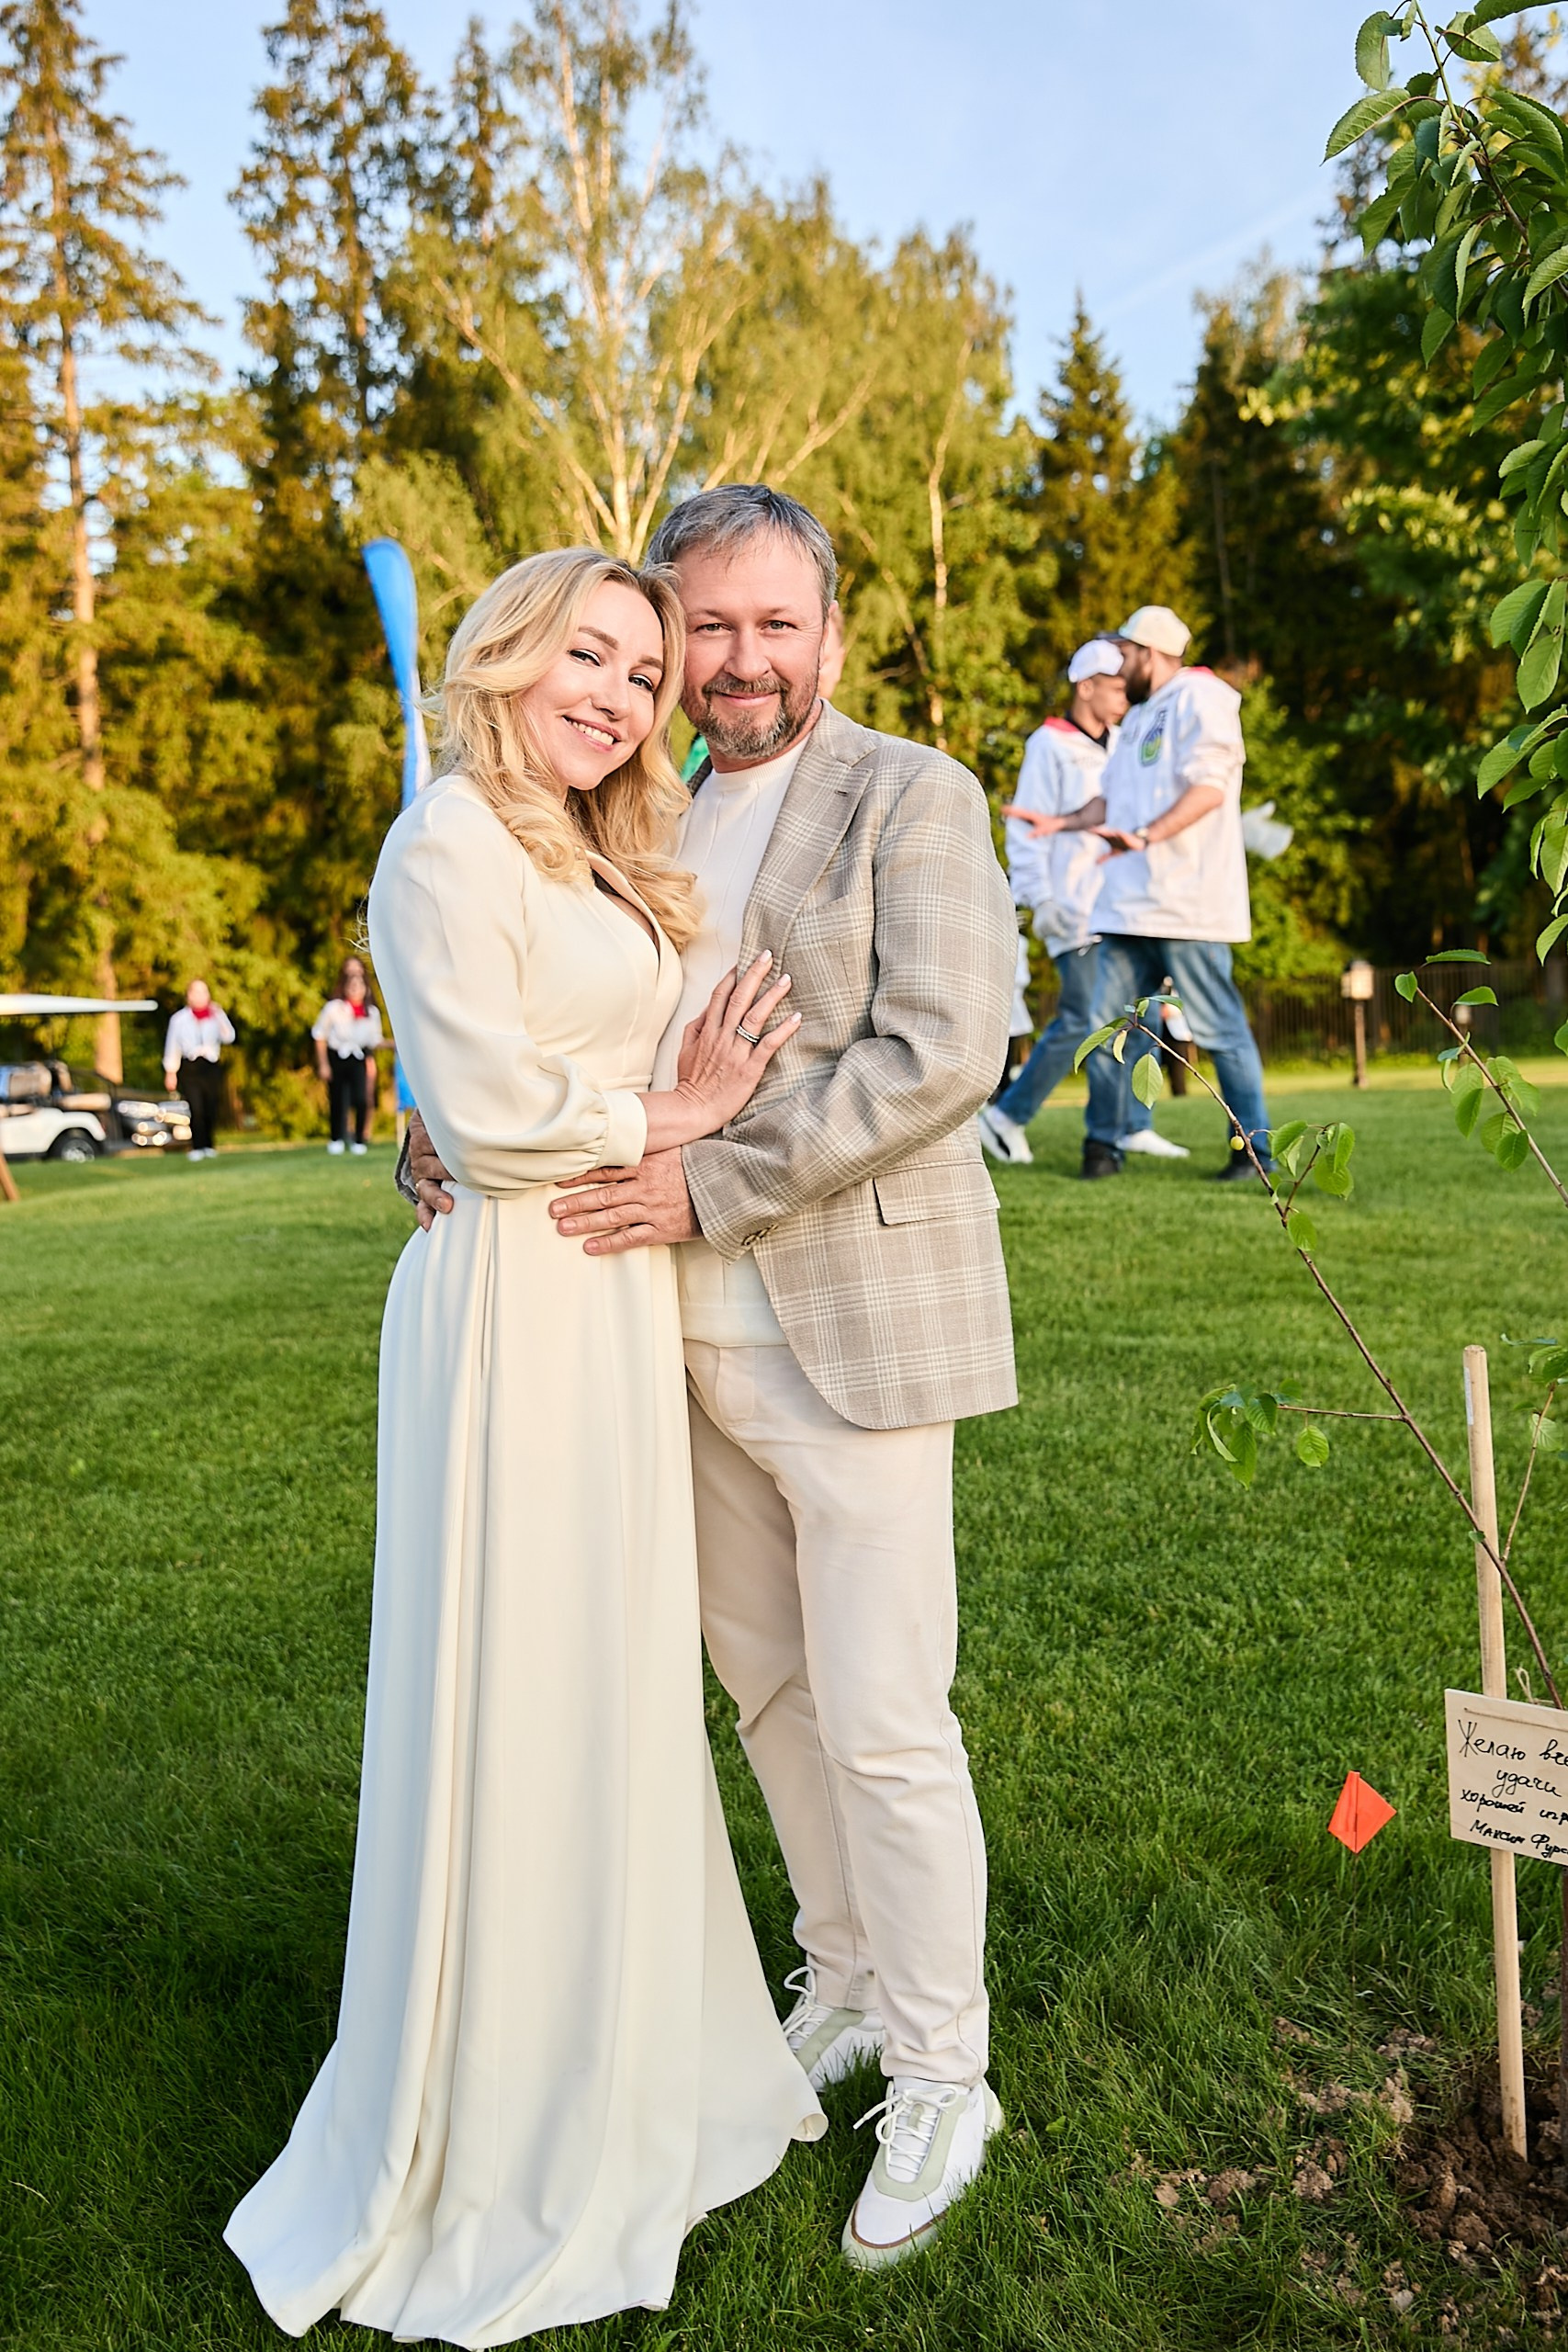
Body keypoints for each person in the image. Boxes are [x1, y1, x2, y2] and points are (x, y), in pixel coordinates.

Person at [409, 483, 1017, 2269]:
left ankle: (945, 2068)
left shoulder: (910, 793)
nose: (741, 661)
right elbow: (537, 1028)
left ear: (829, 631)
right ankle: (842, 1976)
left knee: (886, 1713)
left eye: (776, 625)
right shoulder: (635, 806)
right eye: (711, 628)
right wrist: (443, 1130)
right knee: (767, 1690)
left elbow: (941, 1050)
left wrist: (706, 1179)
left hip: (854, 1325)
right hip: (655, 1335)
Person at [224, 549, 823, 2346]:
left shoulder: (590, 848)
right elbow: (483, 1114)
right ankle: (498, 2103)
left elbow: (532, 1074)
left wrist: (676, 1102)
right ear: (506, 652)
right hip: (509, 1305)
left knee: (611, 1677)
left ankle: (633, 2047)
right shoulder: (448, 842)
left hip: (609, 1303)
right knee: (520, 1672)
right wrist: (672, 1109)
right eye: (591, 654)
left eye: (642, 672)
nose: (620, 696)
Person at [1006, 606, 1271, 1182]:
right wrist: (1061, 823)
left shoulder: (1202, 696)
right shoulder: (1143, 715)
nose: (1119, 666)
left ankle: (1254, 1154)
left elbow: (1210, 787)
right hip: (1126, 907)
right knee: (1108, 1031)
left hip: (1186, 905)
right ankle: (1102, 1148)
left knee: (1221, 1030)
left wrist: (1149, 836)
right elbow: (1112, 799)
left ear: (1148, 653)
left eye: (1124, 654)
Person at [980, 639, 1187, 1167]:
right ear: (1086, 686)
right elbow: (1027, 828)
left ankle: (1133, 1124)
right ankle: (1006, 1115)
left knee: (1141, 1017)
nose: (1125, 696)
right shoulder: (1048, 744)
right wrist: (1040, 898)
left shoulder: (1128, 739)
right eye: (1116, 687)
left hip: (1125, 906)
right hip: (1072, 908)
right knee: (1081, 1020)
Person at [311, 955, 384, 1155]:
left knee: (361, 1098)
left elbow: (374, 1040)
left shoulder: (371, 1013)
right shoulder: (334, 1008)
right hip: (337, 1056)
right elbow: (320, 1034)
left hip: (358, 1057)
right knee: (337, 1099)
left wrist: (394, 1044)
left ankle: (359, 1139)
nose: (355, 989)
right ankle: (336, 1138)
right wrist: (323, 1064)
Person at [163, 979, 235, 1161]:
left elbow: (229, 1037)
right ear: (189, 996)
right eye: (196, 992)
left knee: (211, 1106)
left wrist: (219, 1015)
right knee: (196, 1107)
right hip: (191, 1066)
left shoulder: (215, 1016)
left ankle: (209, 1145)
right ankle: (197, 1146)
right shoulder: (179, 1019)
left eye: (204, 992)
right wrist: (171, 1072)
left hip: (210, 1065)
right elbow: (172, 1046)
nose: (200, 996)